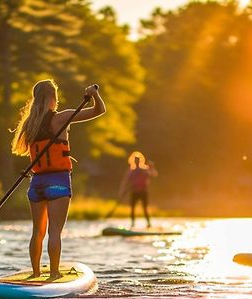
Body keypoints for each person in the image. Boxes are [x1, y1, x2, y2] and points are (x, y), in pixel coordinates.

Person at [11, 79, 105, 280]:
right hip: (58, 182)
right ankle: (54, 273)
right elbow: (99, 110)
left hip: (36, 184)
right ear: (53, 97)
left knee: (37, 232)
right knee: (55, 232)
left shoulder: (29, 124)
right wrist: (94, 95)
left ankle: (36, 272)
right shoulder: (61, 118)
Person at [119, 151, 157, 228]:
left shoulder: (146, 169)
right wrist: (122, 190)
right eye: (135, 160)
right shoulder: (131, 171)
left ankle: (149, 224)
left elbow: (154, 174)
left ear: (140, 160)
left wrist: (152, 168)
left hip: (143, 192)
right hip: (134, 192)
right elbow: (125, 181)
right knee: (132, 209)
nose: (137, 161)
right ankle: (132, 224)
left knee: (145, 209)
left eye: (138, 160)